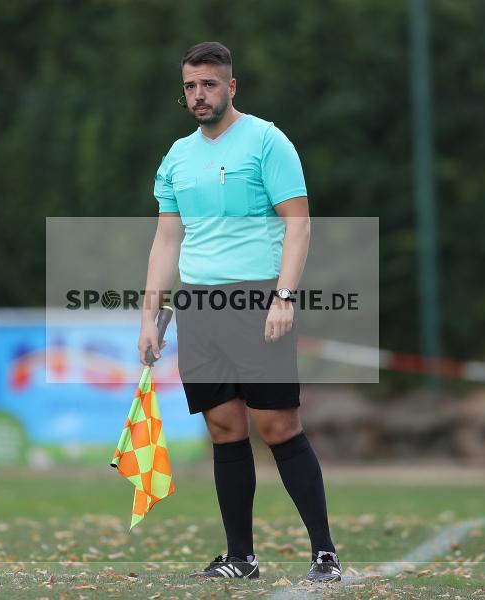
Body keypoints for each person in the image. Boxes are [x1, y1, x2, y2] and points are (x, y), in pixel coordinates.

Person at [137, 41, 340, 583]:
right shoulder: (177, 157)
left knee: (277, 425)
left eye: (209, 84)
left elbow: (298, 223)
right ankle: (240, 558)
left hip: (255, 299)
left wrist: (284, 296)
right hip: (198, 308)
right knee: (224, 429)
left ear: (231, 86)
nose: (199, 95)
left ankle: (324, 553)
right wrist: (150, 316)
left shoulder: (267, 141)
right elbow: (165, 241)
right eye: (190, 86)